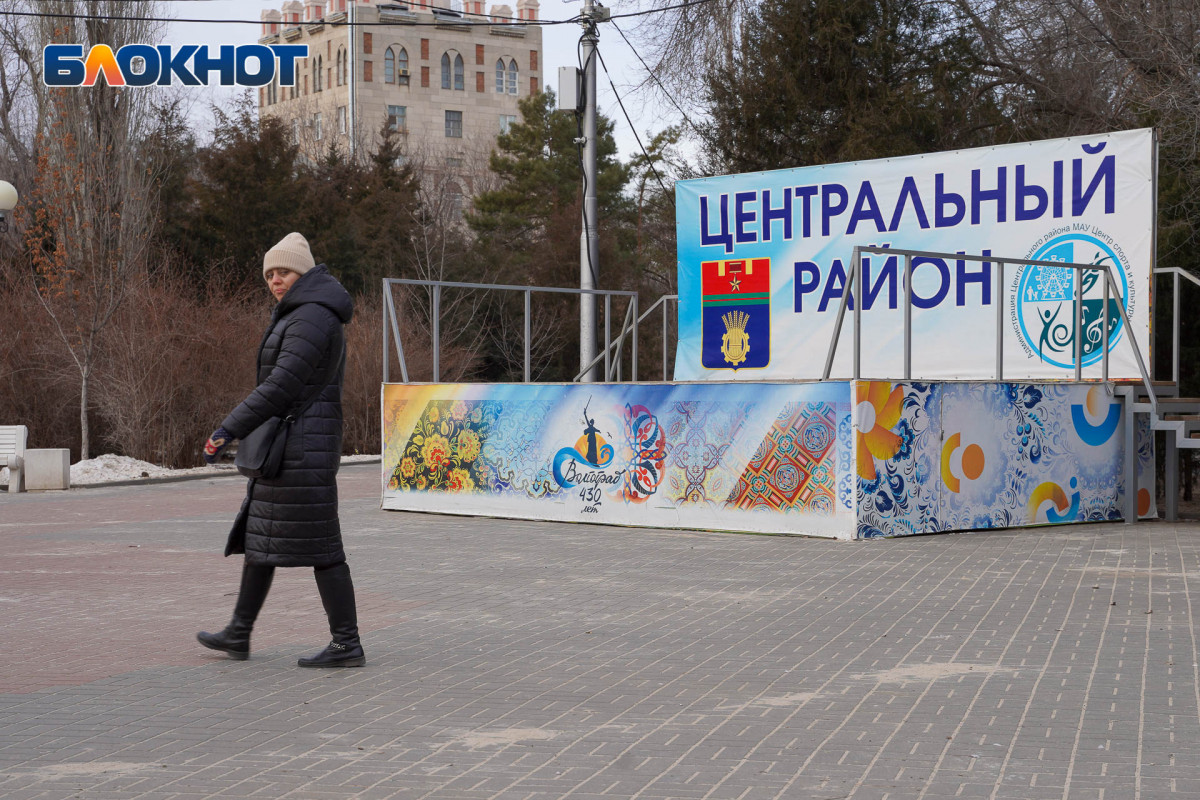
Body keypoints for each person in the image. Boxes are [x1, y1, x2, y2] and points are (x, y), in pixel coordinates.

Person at [197, 232, 365, 668]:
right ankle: (239, 631)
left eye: (284, 271)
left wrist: (227, 429)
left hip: (303, 448)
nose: (275, 279)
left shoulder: (312, 316)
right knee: (262, 537)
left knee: (323, 546)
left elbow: (281, 385)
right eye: (270, 273)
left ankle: (347, 643)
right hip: (289, 446)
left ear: (303, 272)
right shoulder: (299, 313)